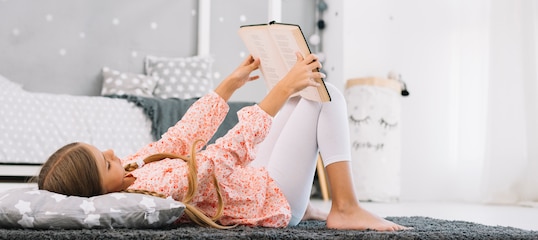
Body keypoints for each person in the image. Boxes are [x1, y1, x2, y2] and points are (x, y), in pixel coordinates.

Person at [36, 53, 406, 231]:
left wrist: (230, 83)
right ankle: (345, 207)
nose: (113, 153)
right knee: (328, 97)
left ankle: (312, 207)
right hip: (271, 199)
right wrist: (278, 89)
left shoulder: (131, 170)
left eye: (102, 150)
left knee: (299, 97)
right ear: (99, 191)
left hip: (257, 183)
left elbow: (181, 137)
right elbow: (222, 156)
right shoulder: (155, 189)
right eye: (105, 161)